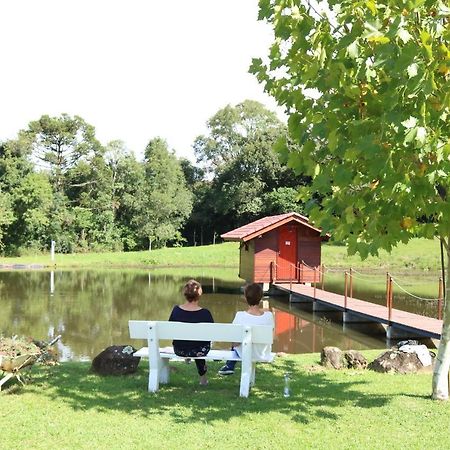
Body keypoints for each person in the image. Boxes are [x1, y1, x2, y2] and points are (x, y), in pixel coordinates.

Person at [218, 283, 274, 376]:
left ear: (245, 298)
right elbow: (271, 337)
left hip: (244, 353)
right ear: (261, 298)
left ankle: (229, 365)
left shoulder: (240, 316)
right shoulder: (269, 316)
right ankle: (229, 365)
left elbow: (234, 343)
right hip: (262, 353)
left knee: (237, 341)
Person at [168, 279, 214, 385]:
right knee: (199, 344)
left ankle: (188, 357)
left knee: (193, 343)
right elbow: (211, 334)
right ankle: (203, 378)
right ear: (199, 295)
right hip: (200, 350)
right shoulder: (205, 313)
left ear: (185, 294)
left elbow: (170, 329)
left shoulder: (176, 310)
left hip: (180, 350)